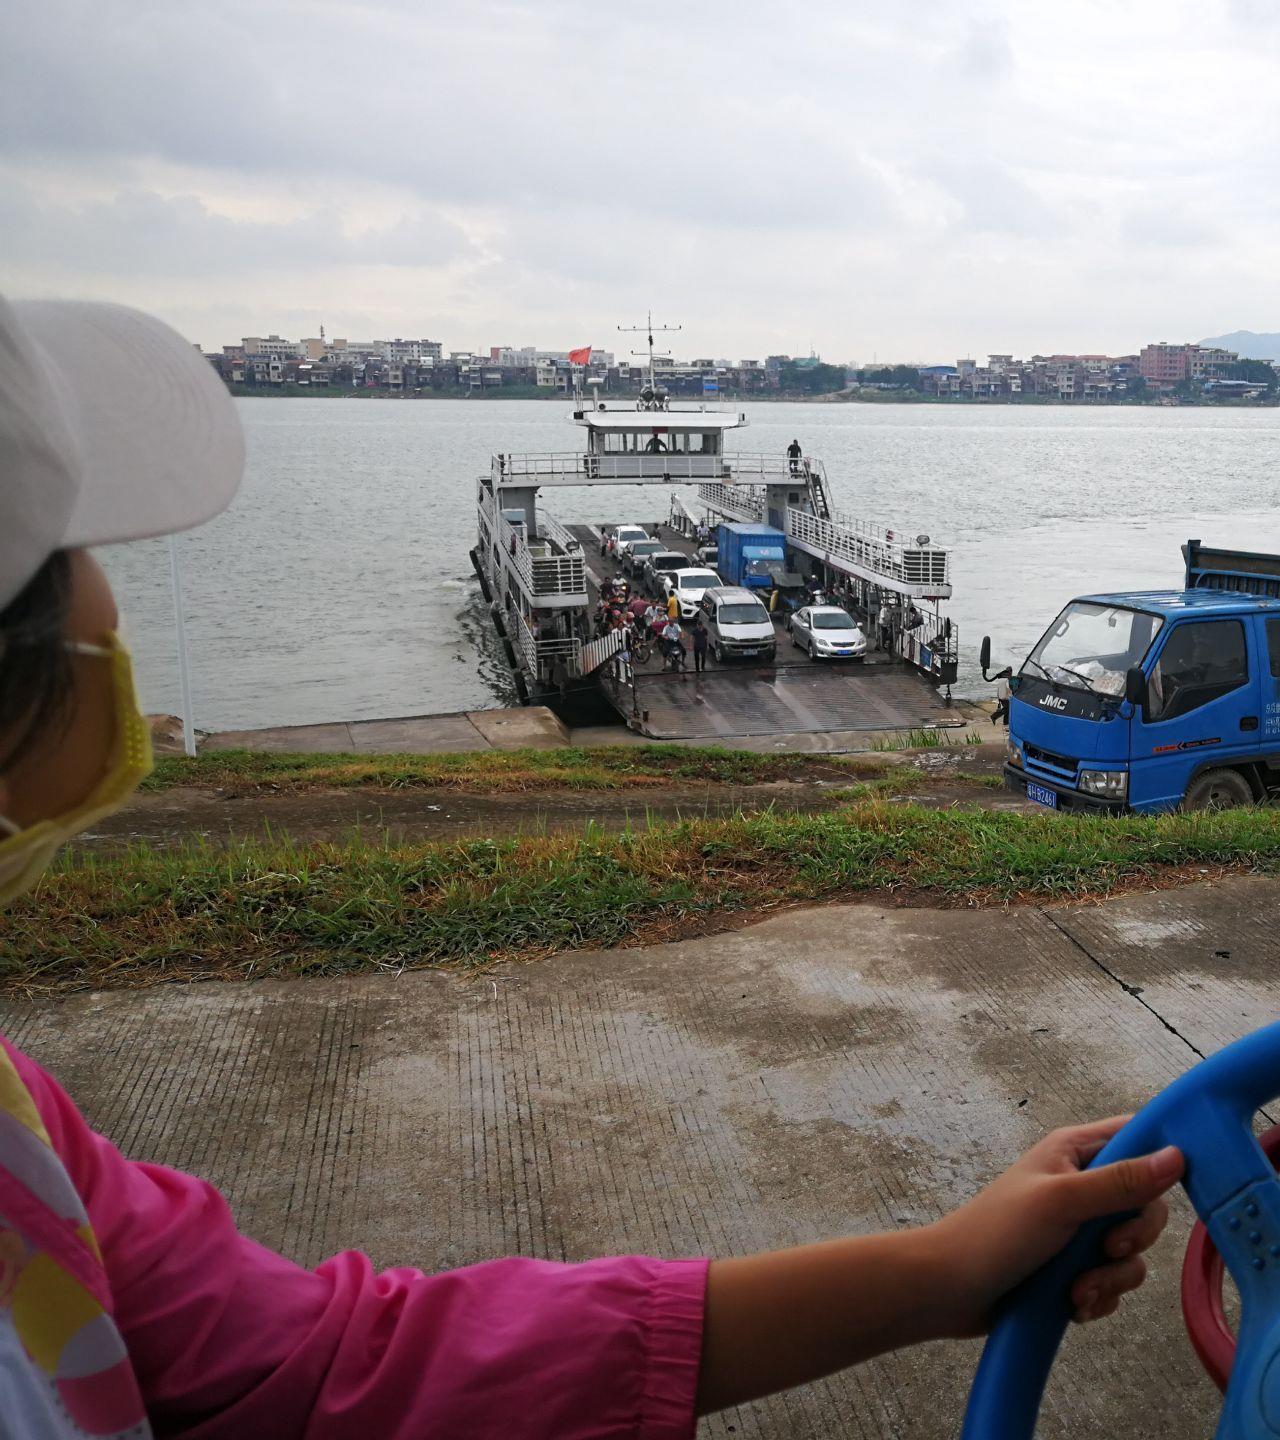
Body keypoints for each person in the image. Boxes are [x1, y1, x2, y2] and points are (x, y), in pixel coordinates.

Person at [0, 297, 1182, 1437]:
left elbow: (317, 1367)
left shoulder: (31, 1136)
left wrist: (937, 1276)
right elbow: (338, 1374)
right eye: (68, 553)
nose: (104, 589)